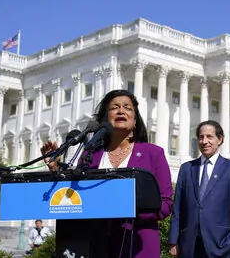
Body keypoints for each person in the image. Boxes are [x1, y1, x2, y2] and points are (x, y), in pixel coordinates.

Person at [41, 89, 174, 258]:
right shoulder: (90, 154)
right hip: (96, 243)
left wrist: (131, 207)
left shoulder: (153, 154)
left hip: (138, 245)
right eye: (114, 107)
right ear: (105, 119)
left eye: (128, 108)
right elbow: (76, 195)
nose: (121, 111)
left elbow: (166, 203)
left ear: (135, 121)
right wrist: (56, 168)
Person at [167, 120, 230, 258]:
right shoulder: (186, 169)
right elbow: (178, 208)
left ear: (220, 139)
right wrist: (173, 240)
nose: (204, 141)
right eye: (201, 137)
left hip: (221, 244)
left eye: (210, 137)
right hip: (189, 245)